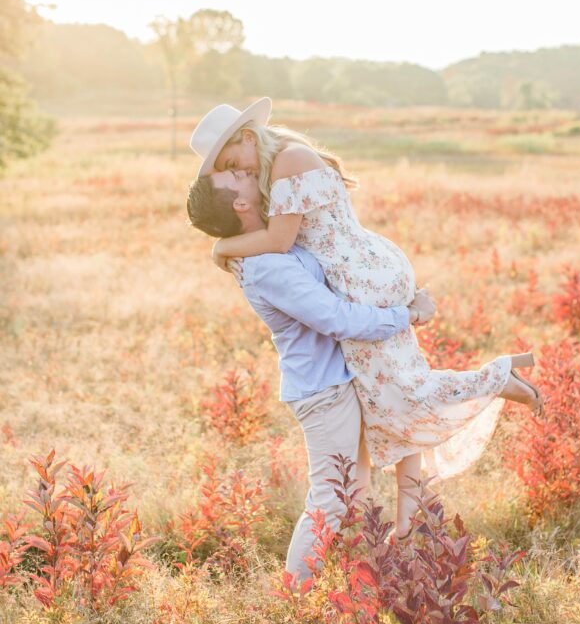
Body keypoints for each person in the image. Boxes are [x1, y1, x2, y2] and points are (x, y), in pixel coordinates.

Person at [188, 99, 543, 539]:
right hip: (364, 269)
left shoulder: (286, 163)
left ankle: (495, 380)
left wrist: (221, 249)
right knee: (395, 399)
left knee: (401, 395)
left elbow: (279, 241)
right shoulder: (282, 161)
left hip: (358, 280)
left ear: (246, 137)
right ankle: (409, 524)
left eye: (231, 163)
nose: (239, 173)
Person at [186, 167, 437, 579]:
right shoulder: (268, 266)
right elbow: (335, 318)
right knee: (329, 500)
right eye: (237, 176)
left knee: (353, 496)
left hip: (336, 380)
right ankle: (293, 598)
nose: (247, 172)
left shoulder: (272, 242)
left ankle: (361, 585)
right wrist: (408, 315)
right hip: (323, 393)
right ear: (240, 203)